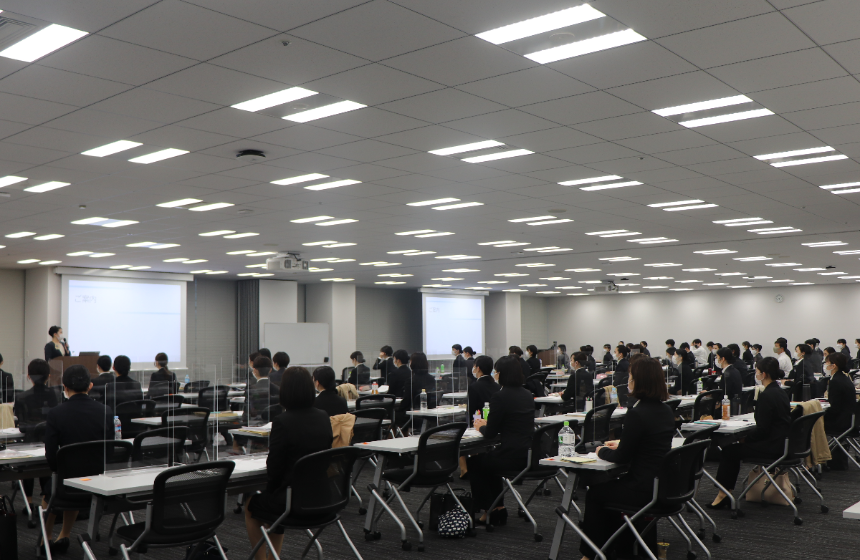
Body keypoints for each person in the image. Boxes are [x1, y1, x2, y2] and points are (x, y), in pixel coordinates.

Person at [577, 357, 674, 560]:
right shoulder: (665, 410)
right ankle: (612, 547)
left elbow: (621, 458)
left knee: (596, 493)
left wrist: (601, 451)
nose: (628, 381)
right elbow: (649, 441)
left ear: (640, 381)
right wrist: (623, 443)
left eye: (631, 377)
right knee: (611, 490)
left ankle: (591, 554)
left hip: (642, 489)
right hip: (664, 486)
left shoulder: (637, 413)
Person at [244, 367, 333, 560]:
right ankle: (273, 557)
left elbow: (274, 468)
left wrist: (272, 490)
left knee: (251, 504)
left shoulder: (283, 421)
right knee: (279, 499)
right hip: (324, 498)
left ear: (285, 391)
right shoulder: (323, 416)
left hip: (293, 503)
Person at [41, 365, 113, 552]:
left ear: (64, 387)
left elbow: (50, 453)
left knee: (51, 490)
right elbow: (110, 448)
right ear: (90, 386)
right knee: (68, 480)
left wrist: (59, 471)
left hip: (67, 482)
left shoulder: (56, 413)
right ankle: (64, 534)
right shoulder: (106, 410)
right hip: (99, 483)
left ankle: (45, 539)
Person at [709, 357, 790, 509]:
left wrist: (746, 439)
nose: (756, 374)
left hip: (771, 446)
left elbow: (762, 430)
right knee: (733, 449)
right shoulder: (780, 392)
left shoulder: (766, 395)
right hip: (782, 443)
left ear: (763, 374)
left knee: (729, 451)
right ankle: (724, 493)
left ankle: (723, 494)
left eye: (757, 371)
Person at [468, 356, 534, 525]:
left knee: (475, 462)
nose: (494, 375)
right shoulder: (527, 394)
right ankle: (498, 508)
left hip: (510, 456)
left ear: (501, 374)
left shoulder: (500, 396)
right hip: (528, 454)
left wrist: (480, 426)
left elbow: (490, 434)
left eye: (496, 372)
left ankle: (489, 509)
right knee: (489, 461)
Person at [16, 359, 59, 514]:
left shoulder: (21, 397)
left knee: (28, 469)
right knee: (45, 468)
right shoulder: (55, 394)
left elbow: (20, 424)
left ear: (29, 376)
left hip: (29, 443)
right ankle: (46, 500)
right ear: (48, 376)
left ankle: (28, 503)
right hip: (50, 442)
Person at [823, 352, 854, 469]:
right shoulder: (845, 378)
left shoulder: (835, 381)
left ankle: (817, 460)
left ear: (834, 365)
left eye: (827, 363)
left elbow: (834, 409)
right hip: (849, 420)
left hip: (839, 422)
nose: (825, 365)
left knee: (813, 423)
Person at [467, 355, 499, 426]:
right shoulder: (497, 386)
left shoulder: (474, 387)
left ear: (478, 368)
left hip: (479, 424)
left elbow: (471, 411)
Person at [387, 349, 412, 427]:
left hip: (398, 405)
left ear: (398, 360)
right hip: (408, 405)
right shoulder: (411, 372)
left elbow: (391, 392)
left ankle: (390, 431)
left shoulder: (394, 373)